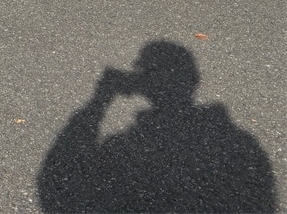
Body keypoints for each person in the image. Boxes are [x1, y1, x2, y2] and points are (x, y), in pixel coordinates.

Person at [38, 42, 277, 213]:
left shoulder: (125, 144)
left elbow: (56, 183)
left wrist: (100, 98)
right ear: (193, 79)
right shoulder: (240, 141)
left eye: (144, 71)